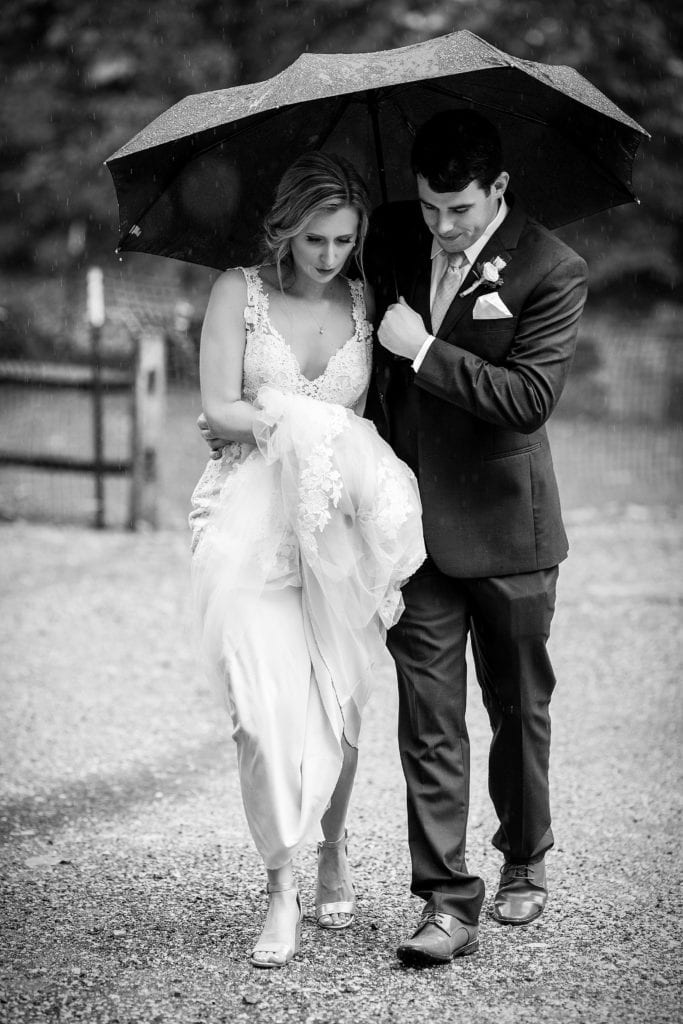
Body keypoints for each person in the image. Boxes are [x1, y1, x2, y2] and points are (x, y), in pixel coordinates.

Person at [190, 151, 425, 969]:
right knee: (260, 713)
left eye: (343, 241)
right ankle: (279, 883)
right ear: (285, 229)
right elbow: (217, 405)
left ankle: (332, 843)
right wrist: (277, 420)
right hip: (247, 521)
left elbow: (382, 416)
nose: (329, 256)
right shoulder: (238, 292)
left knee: (339, 705)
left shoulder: (367, 302)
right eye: (315, 239)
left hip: (335, 532)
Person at [364, 109, 588, 965]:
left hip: (509, 530)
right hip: (410, 525)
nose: (442, 227)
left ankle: (524, 855)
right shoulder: (390, 235)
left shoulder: (550, 267)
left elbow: (528, 398)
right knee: (428, 718)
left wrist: (423, 352)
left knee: (517, 708)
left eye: (459, 209)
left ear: (496, 189)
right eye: (429, 208)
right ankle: (443, 902)